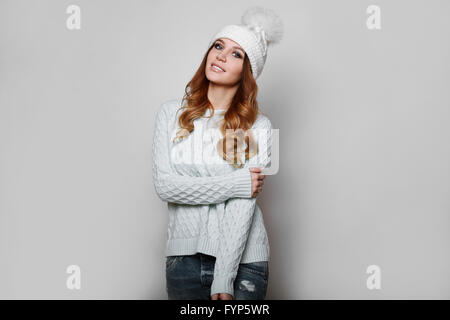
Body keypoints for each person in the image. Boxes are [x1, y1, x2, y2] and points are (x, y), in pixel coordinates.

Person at [151, 6, 283, 300]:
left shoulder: (258, 126)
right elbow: (165, 187)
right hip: (182, 259)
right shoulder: (170, 114)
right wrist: (235, 184)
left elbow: (242, 206)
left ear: (247, 71)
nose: (221, 55)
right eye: (218, 45)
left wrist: (224, 278)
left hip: (245, 261)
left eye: (237, 54)